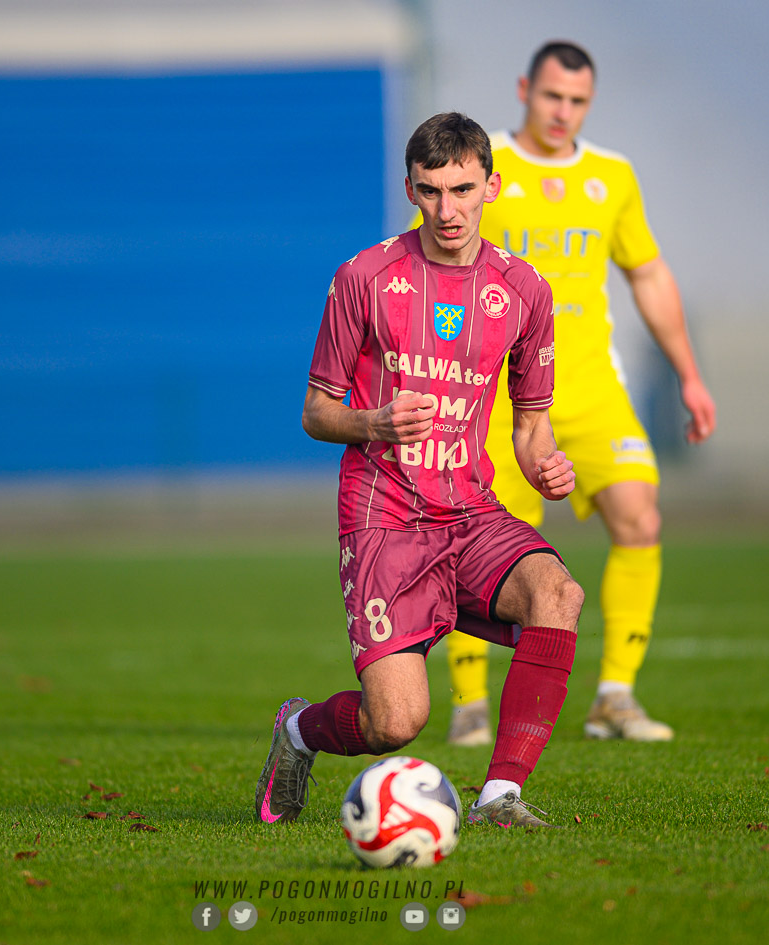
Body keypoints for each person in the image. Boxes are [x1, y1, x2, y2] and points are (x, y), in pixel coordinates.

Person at [255, 112, 585, 830]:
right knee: (396, 723)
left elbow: (531, 426)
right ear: (410, 189)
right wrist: (374, 423)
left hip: (469, 511)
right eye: (431, 191)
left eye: (462, 189)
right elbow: (316, 411)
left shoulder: (524, 289)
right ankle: (299, 731)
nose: (448, 209)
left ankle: (499, 797)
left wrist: (546, 467)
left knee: (557, 592)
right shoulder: (364, 277)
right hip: (385, 517)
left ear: (491, 186)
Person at [440, 41, 717, 746]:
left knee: (640, 516)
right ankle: (470, 703)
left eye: (577, 100)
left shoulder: (612, 176)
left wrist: (688, 373)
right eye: (551, 96)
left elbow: (647, 274)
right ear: (524, 89)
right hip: (499, 396)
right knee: (479, 541)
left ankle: (615, 698)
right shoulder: (480, 170)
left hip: (590, 385)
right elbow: (435, 266)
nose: (562, 111)